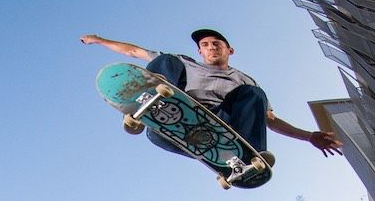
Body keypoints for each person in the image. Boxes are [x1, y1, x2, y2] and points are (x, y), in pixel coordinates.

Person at [80, 29, 343, 165]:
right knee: (166, 60)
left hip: (220, 124)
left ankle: (247, 155)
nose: (211, 48)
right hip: (176, 121)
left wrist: (309, 136)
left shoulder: (243, 79)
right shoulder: (185, 63)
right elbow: (134, 52)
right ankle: (152, 104)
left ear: (230, 50)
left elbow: (270, 120)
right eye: (205, 45)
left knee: (253, 94)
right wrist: (100, 40)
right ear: (200, 51)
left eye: (216, 44)